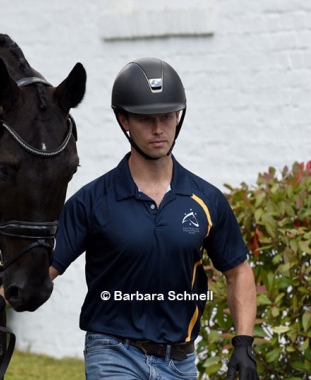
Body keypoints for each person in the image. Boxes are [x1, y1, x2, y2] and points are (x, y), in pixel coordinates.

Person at [47, 58, 259, 379]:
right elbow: (44, 268)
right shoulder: (92, 201)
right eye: (146, 119)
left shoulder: (206, 199)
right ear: (124, 120)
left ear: (178, 117)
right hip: (112, 351)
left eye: (167, 117)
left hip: (180, 361)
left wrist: (244, 343)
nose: (159, 129)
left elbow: (238, 272)